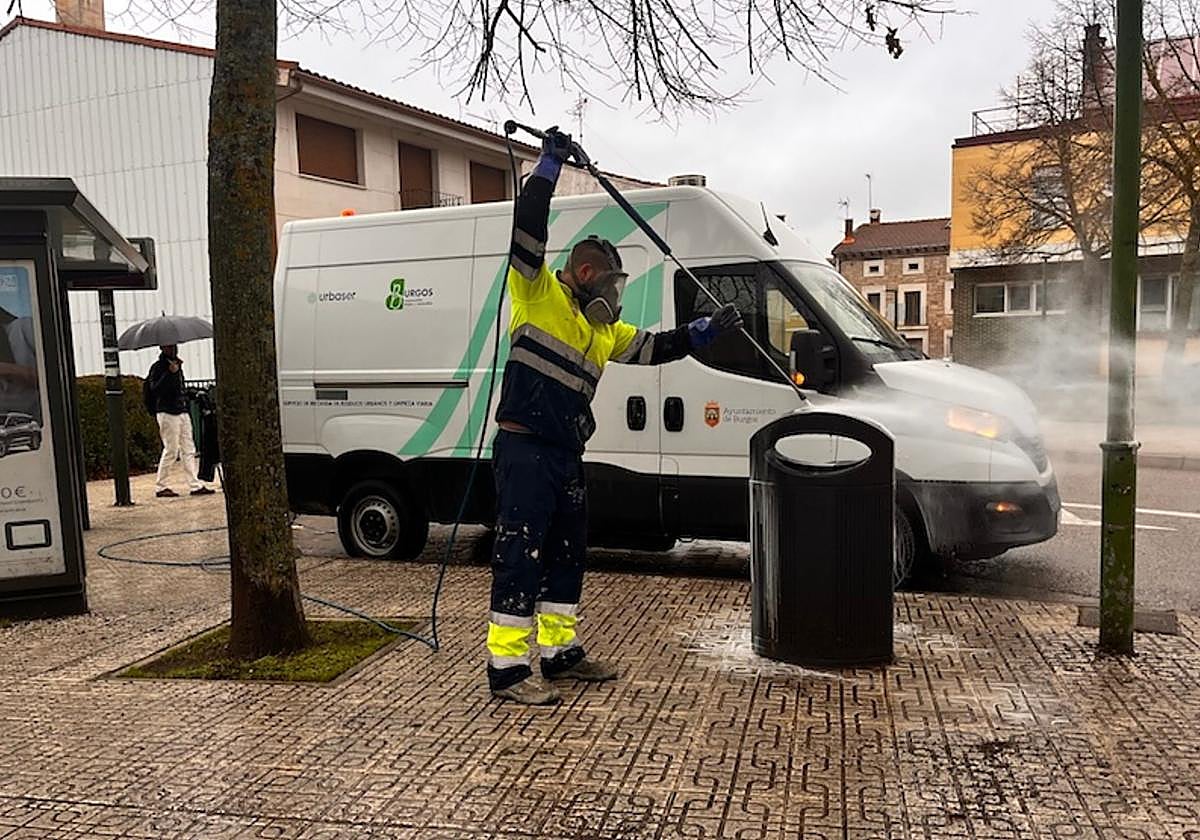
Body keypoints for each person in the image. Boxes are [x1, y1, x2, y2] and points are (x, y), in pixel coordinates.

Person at [487, 127, 743, 705]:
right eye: (612, 281)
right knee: (520, 553)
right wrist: (546, 169)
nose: (617, 293)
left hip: (564, 455)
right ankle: (506, 669)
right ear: (584, 276)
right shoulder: (536, 296)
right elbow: (528, 233)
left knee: (565, 552)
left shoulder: (604, 332)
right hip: (524, 448)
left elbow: (654, 347)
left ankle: (558, 653)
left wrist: (703, 332)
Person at [147, 345, 212, 498]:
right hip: (167, 411)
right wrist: (170, 374)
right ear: (163, 348)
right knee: (171, 449)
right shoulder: (159, 368)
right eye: (170, 347)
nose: (174, 349)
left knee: (188, 447)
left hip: (181, 410)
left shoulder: (177, 366)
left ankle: (194, 483)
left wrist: (191, 394)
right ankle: (161, 485)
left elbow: (179, 389)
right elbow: (155, 389)